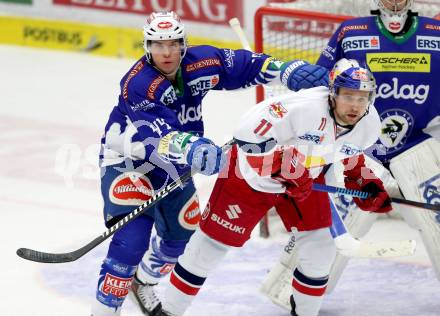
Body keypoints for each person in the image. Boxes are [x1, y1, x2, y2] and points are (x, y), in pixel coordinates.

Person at [91, 10, 330, 316]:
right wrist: (191, 146)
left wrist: (286, 70)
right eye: (158, 45)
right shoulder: (138, 84)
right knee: (129, 244)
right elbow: (158, 133)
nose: (166, 52)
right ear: (146, 46)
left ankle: (144, 282)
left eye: (173, 44)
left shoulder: (199, 62)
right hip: (130, 162)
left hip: (175, 165)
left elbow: (245, 66)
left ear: (183, 43)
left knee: (179, 240)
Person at [157, 58, 392, 316]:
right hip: (249, 178)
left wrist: (363, 180)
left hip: (305, 182)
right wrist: (280, 166)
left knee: (321, 250)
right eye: (348, 96)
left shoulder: (370, 124)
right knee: (209, 248)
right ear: (333, 92)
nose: (355, 105)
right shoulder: (303, 108)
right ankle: (168, 311)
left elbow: (348, 152)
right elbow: (245, 135)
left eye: (362, 97)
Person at [316, 0, 440, 292]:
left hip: (420, 147)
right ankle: (302, 288)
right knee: (333, 228)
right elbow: (321, 84)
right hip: (360, 150)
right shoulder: (351, 31)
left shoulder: (436, 32)